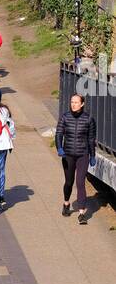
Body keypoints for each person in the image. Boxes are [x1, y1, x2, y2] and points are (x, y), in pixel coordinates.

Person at [56, 92, 97, 224]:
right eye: (72, 102)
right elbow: (59, 134)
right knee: (69, 182)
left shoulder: (89, 119)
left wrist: (92, 155)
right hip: (67, 154)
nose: (73, 104)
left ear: (82, 104)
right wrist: (59, 148)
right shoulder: (65, 117)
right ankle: (66, 203)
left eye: (76, 102)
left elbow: (91, 139)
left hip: (82, 154)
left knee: (80, 182)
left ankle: (81, 213)